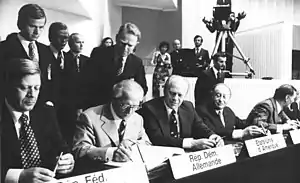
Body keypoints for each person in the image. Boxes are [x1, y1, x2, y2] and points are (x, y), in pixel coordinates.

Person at [1, 58, 74, 183]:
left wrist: (68, 160)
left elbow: (62, 148)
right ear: (8, 87)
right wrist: (19, 176)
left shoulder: (46, 112)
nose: (32, 95)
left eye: (37, 88)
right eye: (25, 88)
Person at [73, 79, 150, 164]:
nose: (130, 112)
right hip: (100, 172)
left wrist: (131, 144)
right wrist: (111, 153)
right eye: (125, 105)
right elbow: (80, 150)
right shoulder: (89, 117)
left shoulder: (138, 119)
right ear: (114, 100)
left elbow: (147, 144)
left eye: (135, 106)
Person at [138, 75, 224, 150]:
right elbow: (157, 138)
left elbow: (200, 126)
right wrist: (192, 143)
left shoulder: (188, 107)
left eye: (180, 95)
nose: (175, 98)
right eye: (172, 93)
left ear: (185, 95)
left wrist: (213, 136)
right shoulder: (149, 108)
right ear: (165, 91)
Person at [80, 22, 148, 109]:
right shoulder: (99, 54)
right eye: (122, 43)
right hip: (98, 105)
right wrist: (81, 106)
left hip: (123, 109)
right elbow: (85, 81)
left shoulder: (136, 62)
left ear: (136, 44)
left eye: (130, 45)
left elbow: (142, 87)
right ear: (116, 38)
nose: (125, 48)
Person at [0, 3, 53, 105]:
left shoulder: (46, 50)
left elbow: (52, 81)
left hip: (42, 110)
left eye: (41, 27)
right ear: (20, 24)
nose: (37, 32)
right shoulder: (4, 48)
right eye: (32, 26)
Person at [196, 83, 264, 140]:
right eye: (218, 96)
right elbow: (213, 132)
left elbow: (241, 123)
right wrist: (242, 133)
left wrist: (258, 126)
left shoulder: (228, 110)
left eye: (224, 97)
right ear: (212, 96)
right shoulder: (201, 110)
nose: (221, 100)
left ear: (229, 99)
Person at [59, 33, 89, 144]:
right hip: (67, 103)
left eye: (83, 42)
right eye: (78, 42)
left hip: (84, 102)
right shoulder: (63, 58)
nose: (81, 45)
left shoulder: (87, 60)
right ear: (71, 43)